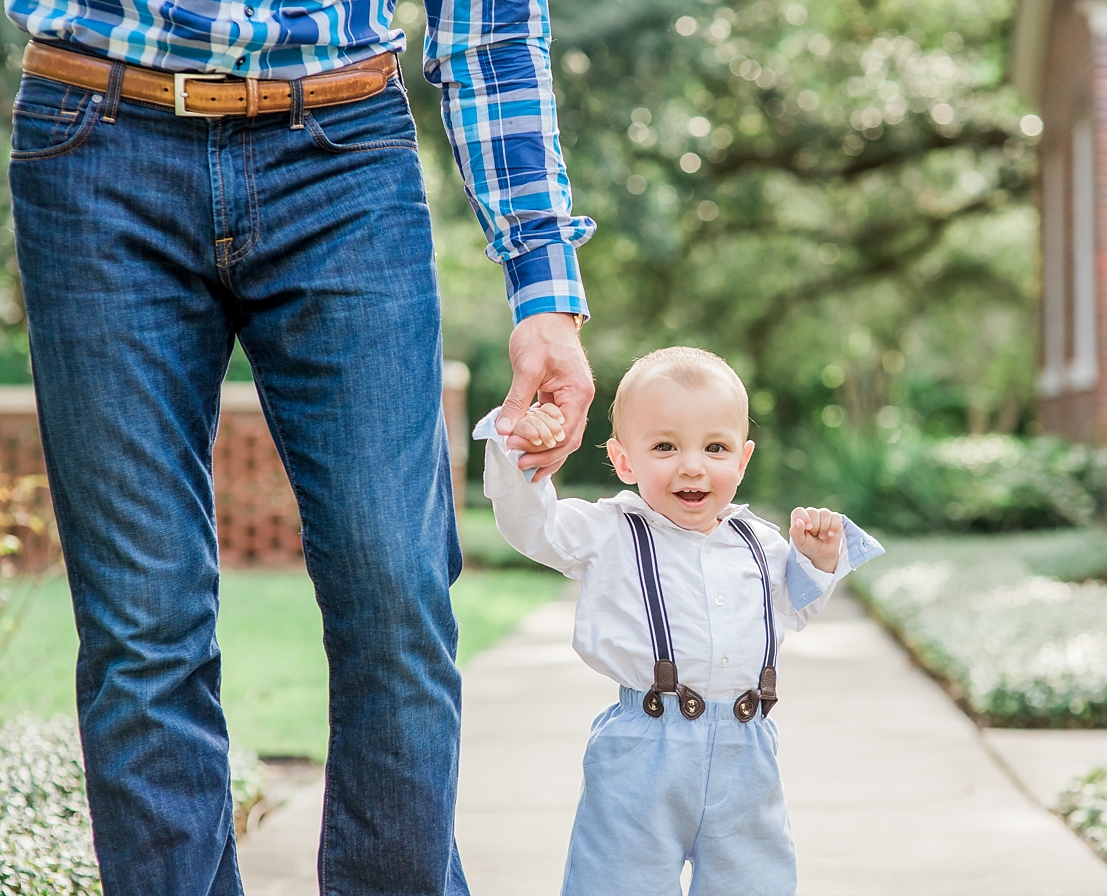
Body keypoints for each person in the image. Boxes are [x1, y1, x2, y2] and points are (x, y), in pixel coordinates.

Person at [5, 0, 594, 890]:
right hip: (96, 143)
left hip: (342, 147)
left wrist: (542, 286)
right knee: (141, 623)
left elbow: (493, 27)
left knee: (395, 589)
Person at [475, 347, 883, 895]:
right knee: (618, 881)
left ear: (742, 459)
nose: (692, 465)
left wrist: (817, 561)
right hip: (645, 747)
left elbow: (792, 610)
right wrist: (517, 452)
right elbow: (534, 527)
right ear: (623, 460)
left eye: (715, 447)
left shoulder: (759, 542)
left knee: (755, 883)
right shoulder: (610, 532)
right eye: (665, 446)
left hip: (747, 748)